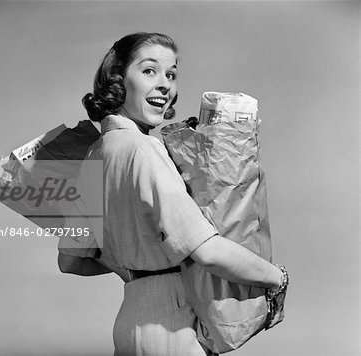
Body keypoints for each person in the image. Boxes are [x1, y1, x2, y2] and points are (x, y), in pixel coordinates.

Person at [57, 32, 287, 355]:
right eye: (149, 70)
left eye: (171, 74)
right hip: (174, 326)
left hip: (128, 323)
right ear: (119, 80)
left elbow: (70, 261)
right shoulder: (145, 150)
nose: (165, 84)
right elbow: (207, 252)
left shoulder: (94, 155)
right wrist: (277, 278)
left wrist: (135, 263)